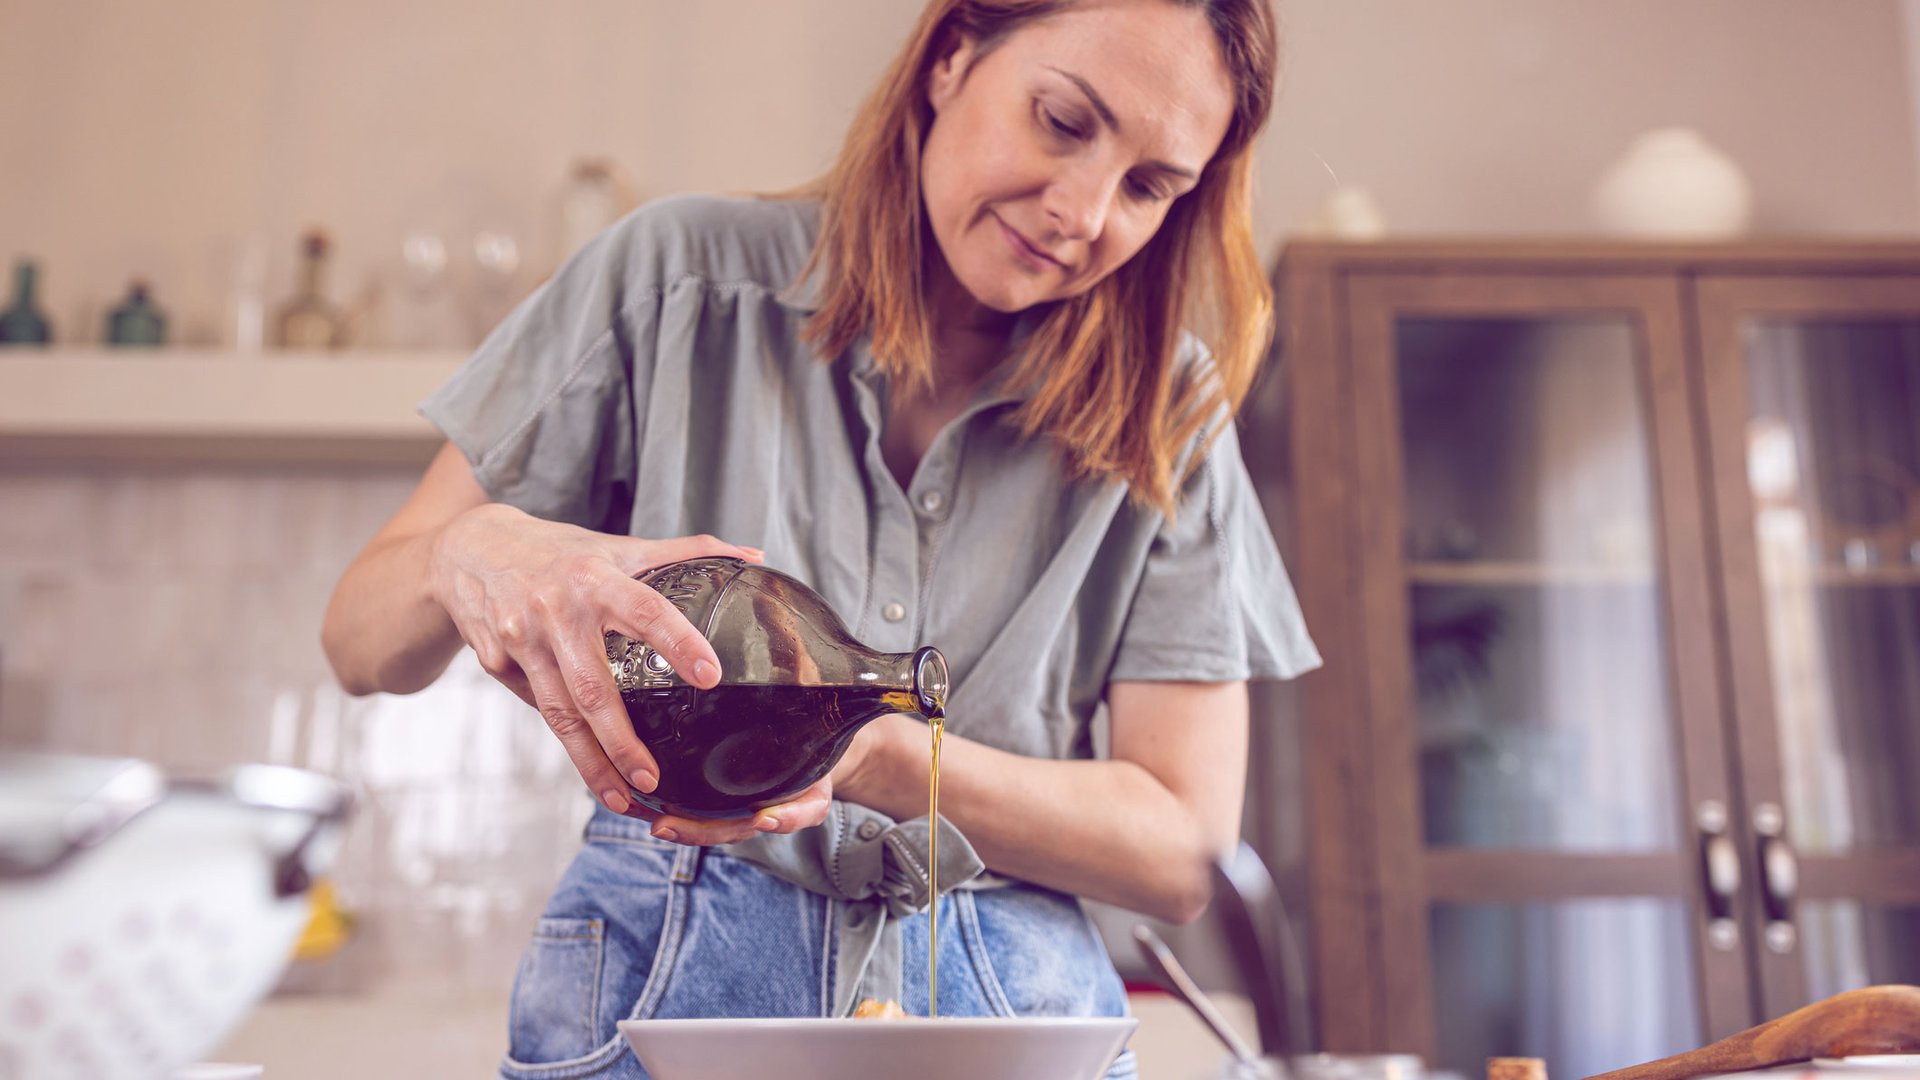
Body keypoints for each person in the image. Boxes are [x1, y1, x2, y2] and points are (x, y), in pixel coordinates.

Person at [321, 0, 1319, 1076]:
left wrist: (875, 753)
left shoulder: (1171, 412)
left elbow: (1183, 851)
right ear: (949, 59)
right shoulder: (671, 282)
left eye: (1149, 187)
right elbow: (359, 641)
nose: (1083, 211)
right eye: (1064, 122)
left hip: (1009, 1005)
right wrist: (468, 551)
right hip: (659, 979)